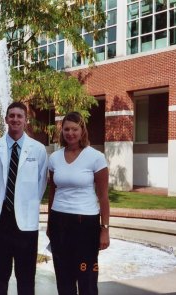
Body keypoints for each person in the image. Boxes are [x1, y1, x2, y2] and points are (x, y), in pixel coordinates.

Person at [0, 101, 48, 295]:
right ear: (6, 119)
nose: (15, 119)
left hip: (25, 223)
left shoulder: (37, 150)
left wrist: (23, 204)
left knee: (26, 277)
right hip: (0, 220)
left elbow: (41, 184)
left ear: (25, 120)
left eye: (19, 116)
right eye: (11, 116)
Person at [47, 111, 110, 295]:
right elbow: (52, 192)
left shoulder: (95, 157)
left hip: (86, 224)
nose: (70, 133)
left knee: (87, 277)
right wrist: (50, 223)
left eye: (74, 129)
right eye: (66, 129)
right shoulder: (54, 158)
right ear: (62, 131)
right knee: (63, 277)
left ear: (82, 131)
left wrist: (104, 228)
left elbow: (104, 197)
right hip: (59, 222)